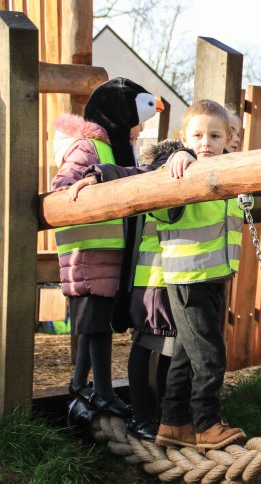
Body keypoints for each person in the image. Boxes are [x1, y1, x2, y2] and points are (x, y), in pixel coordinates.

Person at [51, 77, 162, 418]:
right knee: (95, 325)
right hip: (88, 250)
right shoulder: (87, 147)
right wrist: (84, 191)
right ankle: (102, 393)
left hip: (109, 251)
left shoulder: (118, 148)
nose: (140, 128)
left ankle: (77, 384)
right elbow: (62, 186)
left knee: (94, 323)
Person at [150, 99, 247, 451]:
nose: (205, 142)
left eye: (214, 135)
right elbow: (162, 209)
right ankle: (206, 424)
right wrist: (178, 158)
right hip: (188, 277)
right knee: (209, 356)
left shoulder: (226, 170)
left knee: (186, 355)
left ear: (228, 139)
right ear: (183, 137)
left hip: (213, 276)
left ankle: (173, 423)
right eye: (198, 135)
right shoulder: (180, 170)